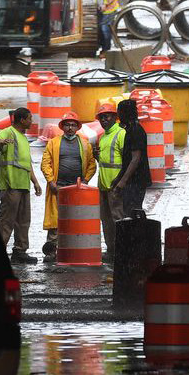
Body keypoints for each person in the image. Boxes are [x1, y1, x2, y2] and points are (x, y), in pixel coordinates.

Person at [39, 111, 97, 256]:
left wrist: (84, 181)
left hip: (77, 188)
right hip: (58, 187)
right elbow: (45, 163)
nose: (70, 128)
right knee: (56, 220)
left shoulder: (84, 143)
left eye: (73, 125)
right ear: (62, 127)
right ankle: (52, 251)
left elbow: (91, 164)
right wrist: (51, 181)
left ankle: (73, 250)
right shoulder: (54, 142)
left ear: (77, 127)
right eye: (67, 125)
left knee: (75, 218)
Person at [0, 107, 42, 263]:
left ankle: (20, 251)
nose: (31, 121)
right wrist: (2, 143)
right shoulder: (8, 132)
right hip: (11, 184)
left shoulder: (23, 138)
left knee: (23, 220)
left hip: (23, 185)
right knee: (6, 220)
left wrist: (35, 182)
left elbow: (26, 164)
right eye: (30, 118)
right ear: (22, 120)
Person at [93, 99, 125, 253]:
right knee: (106, 220)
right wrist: (96, 156)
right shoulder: (103, 137)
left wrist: (121, 183)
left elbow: (128, 161)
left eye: (107, 116)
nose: (104, 120)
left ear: (115, 117)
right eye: (101, 117)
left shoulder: (121, 134)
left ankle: (120, 250)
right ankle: (111, 249)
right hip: (103, 186)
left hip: (115, 185)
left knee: (117, 219)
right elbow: (105, 162)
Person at [111, 98, 150, 217]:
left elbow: (135, 159)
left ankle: (137, 235)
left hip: (136, 181)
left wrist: (122, 182)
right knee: (128, 211)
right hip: (132, 181)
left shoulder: (135, 130)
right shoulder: (129, 129)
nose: (118, 115)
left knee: (133, 213)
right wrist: (118, 178)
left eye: (119, 112)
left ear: (125, 113)